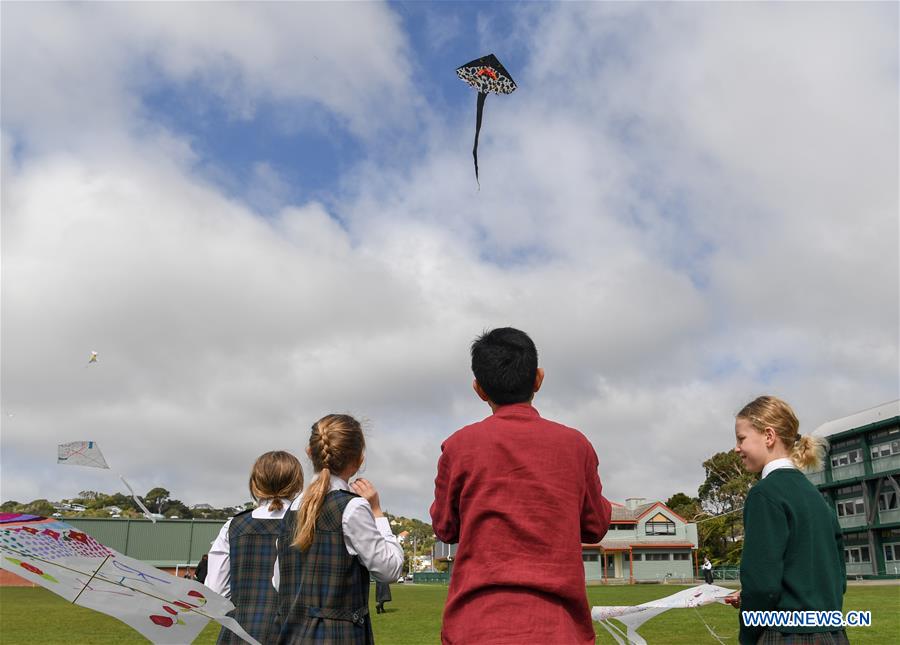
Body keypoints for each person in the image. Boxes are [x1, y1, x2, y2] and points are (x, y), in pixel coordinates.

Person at [430, 327, 612, 645]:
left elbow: (445, 527)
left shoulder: (459, 447)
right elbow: (595, 526)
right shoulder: (576, 446)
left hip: (476, 626)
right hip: (558, 628)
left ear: (479, 389)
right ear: (538, 379)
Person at [726, 396, 847, 645]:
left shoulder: (764, 493)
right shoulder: (816, 497)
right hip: (833, 634)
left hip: (786, 635)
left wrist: (748, 635)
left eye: (741, 438)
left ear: (769, 436)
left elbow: (762, 586)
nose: (737, 448)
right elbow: (836, 578)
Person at [275, 414, 404, 644]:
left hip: (292, 634)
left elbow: (278, 581)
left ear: (309, 452)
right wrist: (377, 513)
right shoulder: (352, 507)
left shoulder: (292, 507)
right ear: (359, 459)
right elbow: (389, 569)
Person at [205, 450, 304, 644]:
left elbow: (215, 592)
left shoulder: (233, 526)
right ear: (297, 483)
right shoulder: (308, 524)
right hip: (293, 631)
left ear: (255, 483)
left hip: (240, 632)